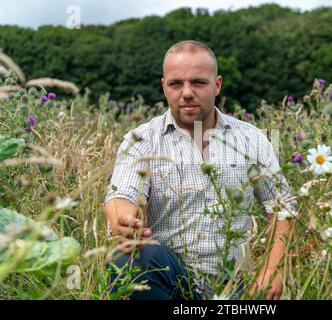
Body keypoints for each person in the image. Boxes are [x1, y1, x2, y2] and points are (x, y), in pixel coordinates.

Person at [103, 40, 297, 300]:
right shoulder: (142, 140)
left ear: (217, 85)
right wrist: (123, 220)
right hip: (170, 283)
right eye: (176, 84)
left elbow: (283, 209)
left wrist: (273, 270)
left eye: (198, 82)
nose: (186, 92)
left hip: (236, 288)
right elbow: (120, 196)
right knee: (129, 256)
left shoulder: (251, 139)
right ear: (164, 87)